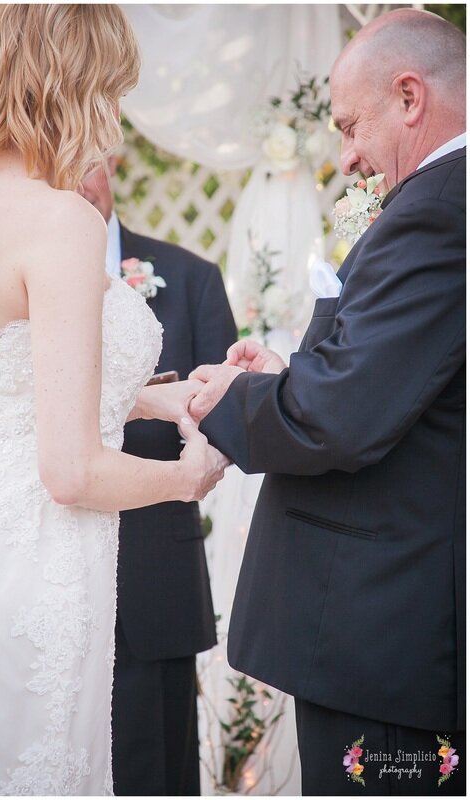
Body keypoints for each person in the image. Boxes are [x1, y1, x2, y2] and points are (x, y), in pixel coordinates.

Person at [0, 6, 227, 796]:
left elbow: (7, 386)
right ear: (75, 84)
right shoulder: (60, 220)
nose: (115, 118)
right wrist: (184, 479)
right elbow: (71, 471)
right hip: (41, 559)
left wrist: (154, 405)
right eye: (111, 89)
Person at [188, 9, 465, 796]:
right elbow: (396, 379)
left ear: (409, 97)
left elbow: (342, 414)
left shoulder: (441, 211)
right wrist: (285, 371)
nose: (344, 157)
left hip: (384, 645)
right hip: (390, 631)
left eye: (349, 127)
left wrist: (232, 400)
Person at [80, 161, 237, 795]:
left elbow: (227, 423)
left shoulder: (192, 278)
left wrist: (190, 419)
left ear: (111, 159)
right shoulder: (11, 277)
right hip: (42, 570)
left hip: (153, 584)